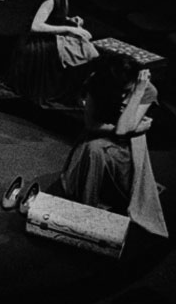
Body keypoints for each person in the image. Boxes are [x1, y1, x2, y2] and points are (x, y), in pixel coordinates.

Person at [60, 56, 167, 237]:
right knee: (94, 149)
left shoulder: (147, 90)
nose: (123, 92)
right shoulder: (98, 81)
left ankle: (89, 206)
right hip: (97, 136)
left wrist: (137, 93)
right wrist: (135, 128)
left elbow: (123, 131)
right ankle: (87, 208)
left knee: (96, 150)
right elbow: (92, 124)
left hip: (127, 147)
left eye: (127, 88)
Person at [0, 0, 101, 109]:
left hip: (47, 39)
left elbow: (53, 16)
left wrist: (69, 20)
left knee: (88, 51)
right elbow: (36, 26)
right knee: (86, 54)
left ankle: (77, 94)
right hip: (36, 44)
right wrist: (69, 29)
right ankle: (73, 95)